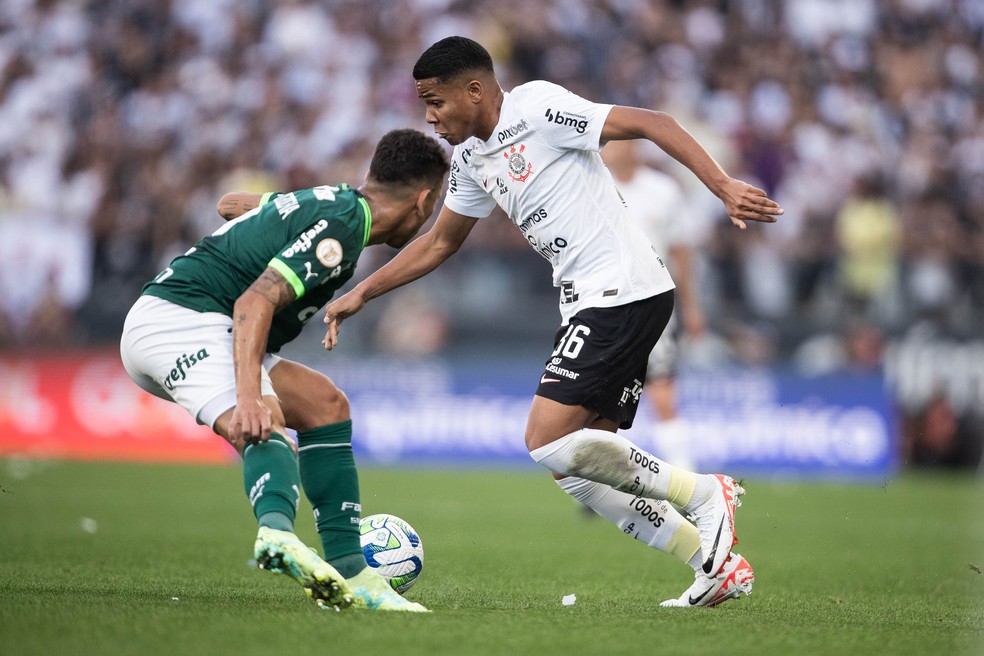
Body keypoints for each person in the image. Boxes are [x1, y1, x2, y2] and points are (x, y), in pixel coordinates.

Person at [324, 37, 783, 608]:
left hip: (621, 292)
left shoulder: (536, 109)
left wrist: (722, 188)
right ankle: (713, 566)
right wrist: (362, 291)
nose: (429, 116)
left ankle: (707, 493)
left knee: (545, 439)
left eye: (434, 101)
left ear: (474, 90)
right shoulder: (469, 159)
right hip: (596, 302)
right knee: (581, 469)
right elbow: (440, 241)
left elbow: (652, 122)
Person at [119, 128, 449, 613]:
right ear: (422, 202)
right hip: (181, 322)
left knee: (325, 405)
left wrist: (273, 213)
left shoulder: (333, 203)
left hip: (199, 321)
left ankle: (353, 572)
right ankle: (275, 534)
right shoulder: (340, 228)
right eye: (435, 204)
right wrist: (250, 394)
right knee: (263, 416)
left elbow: (231, 204)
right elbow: (255, 300)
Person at [601, 139, 705, 471]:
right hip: (602, 304)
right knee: (599, 396)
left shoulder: (663, 190)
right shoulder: (594, 184)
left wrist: (690, 307)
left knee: (661, 387)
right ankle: (601, 476)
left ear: (634, 145)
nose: (606, 148)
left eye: (615, 142)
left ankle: (686, 475)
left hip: (652, 304)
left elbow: (681, 253)